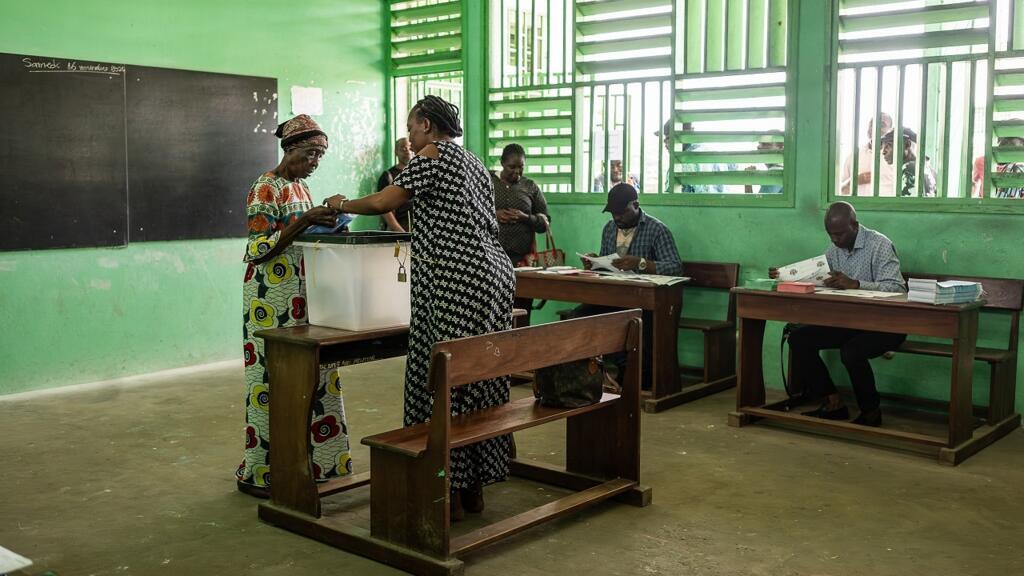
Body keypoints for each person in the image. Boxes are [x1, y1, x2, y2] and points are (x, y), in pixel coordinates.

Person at [323, 96, 514, 521]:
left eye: (411, 128)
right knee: (479, 377)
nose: (409, 138)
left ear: (427, 125)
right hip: (494, 274)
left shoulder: (430, 156)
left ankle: (443, 488)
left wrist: (339, 205)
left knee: (440, 381)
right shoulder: (473, 160)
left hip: (453, 279)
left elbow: (382, 203)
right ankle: (473, 488)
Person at [238, 114, 352, 498]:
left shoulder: (301, 188)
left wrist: (331, 226)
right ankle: (264, 473)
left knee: (315, 376)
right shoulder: (264, 188)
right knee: (271, 382)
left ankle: (319, 465)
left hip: (304, 295)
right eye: (309, 154)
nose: (315, 162)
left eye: (320, 155)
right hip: (269, 298)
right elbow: (258, 249)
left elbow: (305, 236)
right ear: (289, 150)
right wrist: (304, 221)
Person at [769, 202, 906, 427]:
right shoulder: (834, 250)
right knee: (799, 339)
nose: (834, 240)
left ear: (855, 225)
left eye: (839, 234)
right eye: (830, 234)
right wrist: (784, 276)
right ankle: (833, 403)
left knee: (851, 351)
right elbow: (819, 279)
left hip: (886, 324)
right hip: (850, 322)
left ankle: (871, 411)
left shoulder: (880, 245)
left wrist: (856, 284)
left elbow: (898, 289)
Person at [574, 183, 683, 388]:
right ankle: (590, 375)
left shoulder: (657, 230)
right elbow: (608, 266)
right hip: (614, 297)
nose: (617, 218)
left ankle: (635, 374)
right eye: (613, 213)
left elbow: (675, 268)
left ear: (636, 205)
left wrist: (641, 263)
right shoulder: (609, 229)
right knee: (578, 317)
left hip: (645, 302)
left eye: (622, 212)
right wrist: (595, 262)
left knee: (632, 323)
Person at [490, 143, 550, 326]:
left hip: (522, 262)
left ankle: (520, 350)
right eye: (511, 167)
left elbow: (545, 222)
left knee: (522, 311)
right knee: (494, 310)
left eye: (521, 167)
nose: (517, 172)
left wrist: (525, 217)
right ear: (502, 163)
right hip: (492, 260)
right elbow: (472, 213)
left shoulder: (530, 187)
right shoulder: (488, 182)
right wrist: (495, 215)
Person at [661, 120, 735, 193]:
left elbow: (670, 198)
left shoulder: (682, 164)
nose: (665, 144)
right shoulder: (713, 153)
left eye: (667, 139)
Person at [840, 113, 896, 196]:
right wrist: (855, 181)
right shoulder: (853, 156)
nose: (875, 127)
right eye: (871, 124)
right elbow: (842, 191)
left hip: (888, 208)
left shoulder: (897, 158)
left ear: (891, 130)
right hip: (858, 208)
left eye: (882, 124)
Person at [881, 127, 937, 197]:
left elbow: (905, 206)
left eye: (888, 145)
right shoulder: (931, 170)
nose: (883, 151)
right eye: (883, 147)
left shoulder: (908, 169)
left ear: (907, 144)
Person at [377, 137, 414, 231]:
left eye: (410, 148)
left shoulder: (417, 174)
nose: (407, 151)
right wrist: (400, 232)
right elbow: (385, 209)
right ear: (396, 152)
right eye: (403, 148)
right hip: (398, 232)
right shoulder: (388, 176)